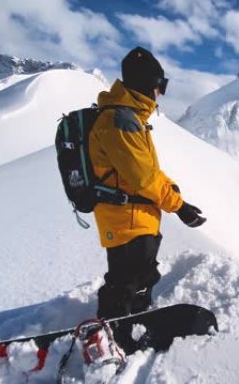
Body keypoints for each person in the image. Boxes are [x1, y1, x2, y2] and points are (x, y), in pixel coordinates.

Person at [89, 46, 206, 319]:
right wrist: (179, 207)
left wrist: (174, 192)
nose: (161, 93)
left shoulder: (130, 118)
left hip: (135, 215)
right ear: (147, 83)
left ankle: (131, 319)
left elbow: (148, 170)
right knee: (127, 282)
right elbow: (143, 177)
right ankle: (114, 329)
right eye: (160, 84)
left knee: (138, 278)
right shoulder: (121, 121)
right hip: (128, 217)